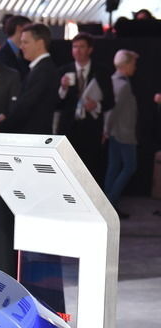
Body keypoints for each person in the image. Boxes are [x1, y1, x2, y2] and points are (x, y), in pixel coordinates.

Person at [56, 33, 114, 181]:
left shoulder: (102, 71)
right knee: (67, 169)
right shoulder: (63, 71)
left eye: (81, 47)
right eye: (74, 47)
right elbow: (56, 104)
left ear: (90, 49)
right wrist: (63, 88)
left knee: (90, 170)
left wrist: (97, 105)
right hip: (68, 128)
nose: (77, 50)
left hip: (91, 129)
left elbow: (110, 101)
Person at [0, 23, 59, 134]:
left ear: (39, 43)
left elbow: (25, 107)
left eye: (25, 42)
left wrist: (2, 127)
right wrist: (7, 116)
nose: (21, 47)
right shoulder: (40, 68)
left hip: (34, 137)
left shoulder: (43, 71)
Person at [103, 50, 139, 216]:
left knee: (114, 166)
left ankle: (108, 204)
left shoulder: (116, 81)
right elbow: (112, 110)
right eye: (133, 64)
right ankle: (110, 203)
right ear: (126, 64)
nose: (135, 67)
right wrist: (106, 130)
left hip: (116, 132)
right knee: (129, 166)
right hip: (123, 133)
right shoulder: (122, 84)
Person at [0, 15, 31, 80]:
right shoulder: (1, 55)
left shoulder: (23, 53)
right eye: (28, 29)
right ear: (19, 28)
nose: (31, 33)